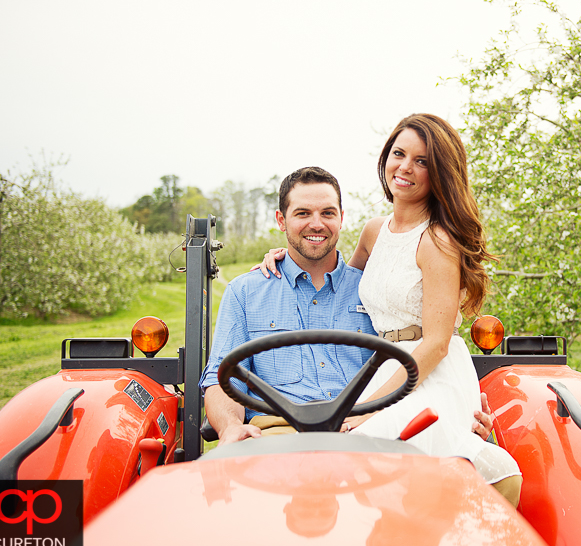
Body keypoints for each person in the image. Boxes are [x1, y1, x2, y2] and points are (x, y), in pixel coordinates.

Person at [257, 115, 522, 506]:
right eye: (399, 154)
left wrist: (370, 407)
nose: (405, 167)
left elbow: (435, 344)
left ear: (440, 174)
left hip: (430, 371)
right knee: (357, 459)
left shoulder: (437, 241)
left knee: (364, 443)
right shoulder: (374, 232)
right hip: (387, 364)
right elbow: (338, 280)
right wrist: (288, 254)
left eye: (422, 161)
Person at [199, 166, 495, 448]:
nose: (316, 224)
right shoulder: (246, 291)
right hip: (278, 432)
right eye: (302, 213)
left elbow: (417, 352)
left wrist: (456, 412)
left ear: (341, 218)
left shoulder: (373, 293)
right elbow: (221, 377)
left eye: (327, 213)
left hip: (363, 429)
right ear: (281, 220)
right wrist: (229, 426)